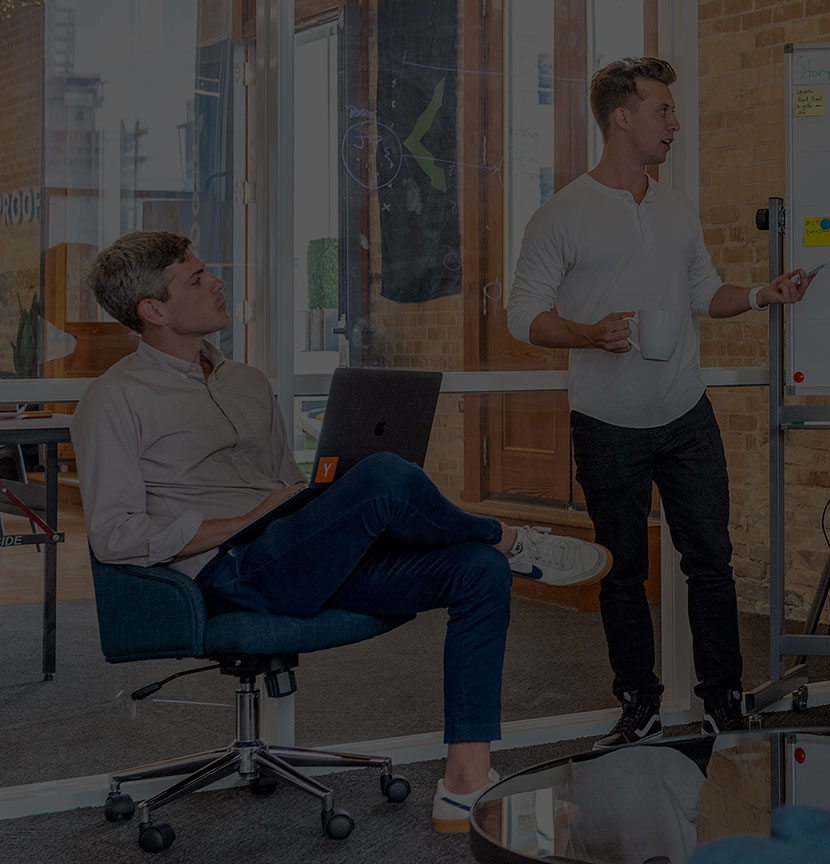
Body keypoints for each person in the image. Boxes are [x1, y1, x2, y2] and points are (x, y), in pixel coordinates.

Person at [72, 231, 610, 835]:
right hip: (232, 571)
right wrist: (243, 521)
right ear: (154, 309)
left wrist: (318, 499)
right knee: (385, 477)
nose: (217, 281)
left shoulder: (246, 381)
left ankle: (465, 782)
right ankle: (508, 539)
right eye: (196, 279)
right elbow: (114, 535)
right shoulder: (113, 399)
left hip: (295, 551)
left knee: (474, 570)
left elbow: (283, 484)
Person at [507, 56, 813, 747]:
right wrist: (590, 332)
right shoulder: (561, 214)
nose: (675, 124)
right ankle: (638, 704)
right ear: (622, 117)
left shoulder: (676, 210)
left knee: (711, 561)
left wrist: (761, 294)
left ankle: (722, 699)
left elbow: (704, 293)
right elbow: (522, 315)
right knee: (622, 570)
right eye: (663, 111)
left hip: (685, 414)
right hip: (606, 422)